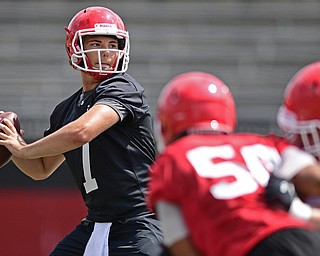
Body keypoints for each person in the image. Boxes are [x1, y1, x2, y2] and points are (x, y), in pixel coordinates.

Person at [0, 6, 163, 256]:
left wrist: (23, 148)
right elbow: (41, 168)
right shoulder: (66, 109)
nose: (105, 52)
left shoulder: (124, 87)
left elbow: (82, 133)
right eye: (95, 42)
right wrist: (10, 141)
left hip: (138, 223)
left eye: (111, 43)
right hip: (95, 223)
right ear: (73, 47)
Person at [147, 71, 320, 256]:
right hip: (304, 238)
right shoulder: (261, 142)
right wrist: (298, 210)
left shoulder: (171, 161)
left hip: (247, 248)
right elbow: (314, 179)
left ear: (165, 123)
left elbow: (180, 244)